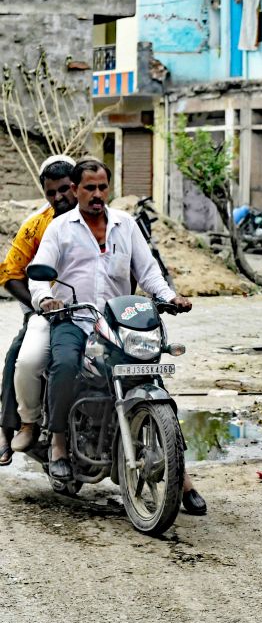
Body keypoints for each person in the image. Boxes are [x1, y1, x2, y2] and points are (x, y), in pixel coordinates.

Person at [27, 159, 207, 515]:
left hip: (121, 323)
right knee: (63, 364)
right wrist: (45, 297)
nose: (96, 195)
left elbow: (149, 272)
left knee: (150, 375)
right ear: (75, 189)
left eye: (102, 187)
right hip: (76, 319)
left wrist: (171, 297)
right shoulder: (61, 228)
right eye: (89, 188)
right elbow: (38, 275)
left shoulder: (126, 226)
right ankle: (60, 444)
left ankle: (179, 472)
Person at [0, 155, 78, 466]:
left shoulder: (106, 221)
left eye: (64, 190)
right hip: (44, 309)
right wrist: (39, 304)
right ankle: (10, 428)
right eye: (51, 192)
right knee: (19, 356)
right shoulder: (37, 226)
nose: (59, 198)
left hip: (92, 310)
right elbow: (9, 273)